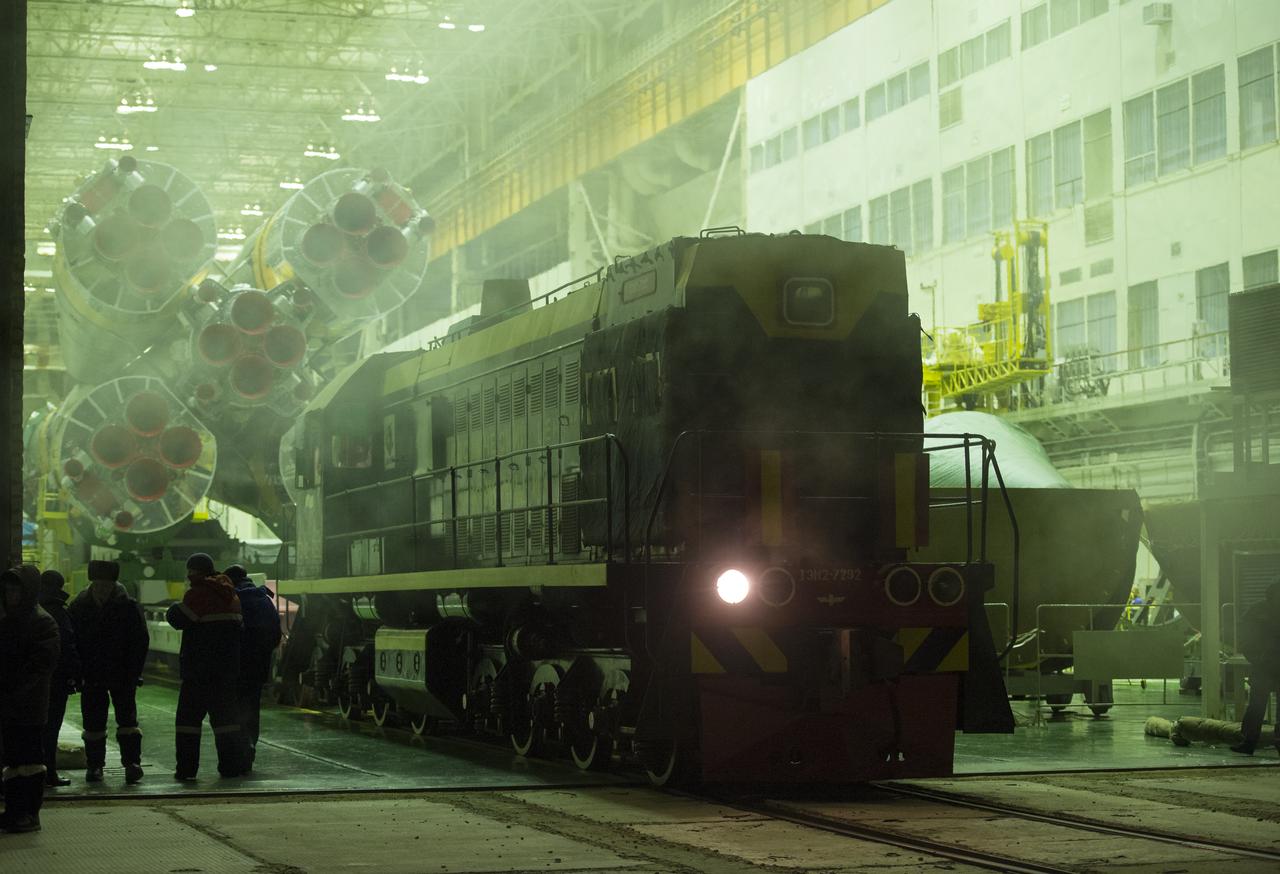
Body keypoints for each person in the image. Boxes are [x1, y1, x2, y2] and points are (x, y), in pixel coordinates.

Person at [166, 553, 249, 781]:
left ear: (193, 571)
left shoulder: (198, 593)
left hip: (198, 672)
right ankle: (230, 768)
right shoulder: (231, 595)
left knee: (187, 723)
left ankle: (186, 770)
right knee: (226, 723)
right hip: (226, 672)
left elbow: (177, 619)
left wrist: (175, 606)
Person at [67, 559, 149, 784]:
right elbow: (72, 642)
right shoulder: (82, 607)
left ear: (113, 585)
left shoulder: (84, 606)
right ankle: (96, 766)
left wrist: (134, 672)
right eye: (98, 585)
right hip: (93, 674)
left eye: (106, 585)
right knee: (95, 721)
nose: (102, 589)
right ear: (92, 583)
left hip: (120, 674)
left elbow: (139, 642)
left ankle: (131, 764)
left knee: (127, 721)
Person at [0, 566, 60, 833]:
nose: (11, 595)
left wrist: (13, 691)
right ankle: (15, 811)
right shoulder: (14, 618)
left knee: (29, 760)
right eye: (8, 590)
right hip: (14, 702)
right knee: (15, 762)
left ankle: (29, 814)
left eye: (16, 590)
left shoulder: (41, 621)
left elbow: (40, 666)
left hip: (28, 704)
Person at [226, 565, 281, 767]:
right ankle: (250, 744)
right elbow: (276, 634)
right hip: (259, 665)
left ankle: (239, 748)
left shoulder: (232, 600)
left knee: (234, 707)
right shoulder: (264, 599)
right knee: (252, 706)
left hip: (236, 663)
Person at [38, 570, 81, 787]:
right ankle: (49, 773)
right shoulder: (58, 611)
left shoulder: (28, 609)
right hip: (56, 681)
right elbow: (68, 646)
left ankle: (32, 774)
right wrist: (74, 676)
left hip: (30, 681)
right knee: (51, 727)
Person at [1233, 581, 1280, 755]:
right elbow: (1246, 640)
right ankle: (1254, 741)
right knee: (1257, 706)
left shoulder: (1257, 610)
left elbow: (1245, 639)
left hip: (1263, 666)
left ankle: (1249, 742)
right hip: (1264, 666)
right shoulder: (1257, 611)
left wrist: (1256, 658)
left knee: (1256, 706)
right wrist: (1257, 658)